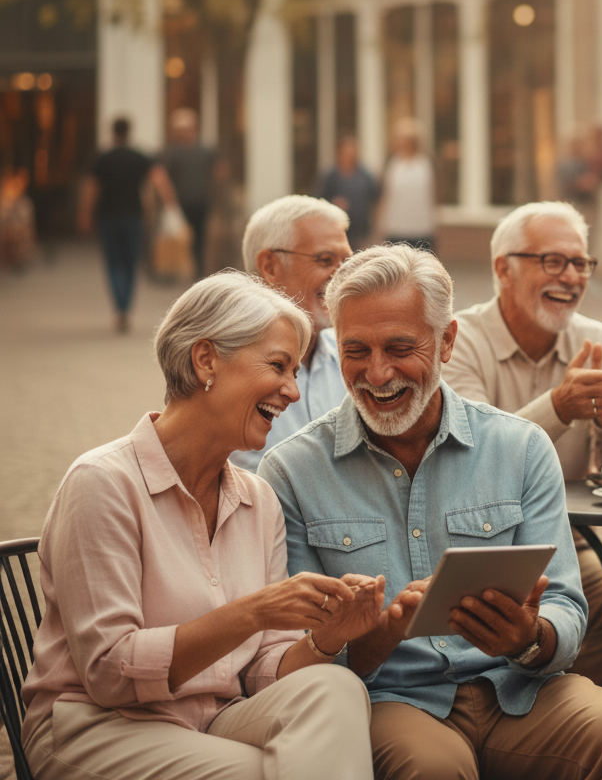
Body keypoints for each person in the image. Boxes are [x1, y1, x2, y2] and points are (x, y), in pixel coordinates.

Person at [257, 245, 602, 780]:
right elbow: (298, 659)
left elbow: (566, 606)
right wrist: (381, 633)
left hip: (520, 690)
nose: (377, 373)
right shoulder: (291, 471)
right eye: (356, 350)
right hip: (388, 698)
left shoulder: (521, 447)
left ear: (447, 342)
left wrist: (529, 638)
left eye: (400, 348)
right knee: (434, 767)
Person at [20, 271, 385, 780]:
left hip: (215, 719)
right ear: (206, 359)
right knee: (265, 772)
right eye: (278, 366)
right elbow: (108, 674)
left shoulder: (259, 500)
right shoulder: (102, 483)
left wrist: (326, 639)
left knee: (338, 687)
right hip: (100, 725)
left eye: (296, 371)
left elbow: (262, 672)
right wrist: (254, 612)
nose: (293, 392)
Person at [443, 201, 602, 688]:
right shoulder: (458, 340)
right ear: (503, 269)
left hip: (566, 545)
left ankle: (582, 712)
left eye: (580, 263)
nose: (571, 277)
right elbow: (473, 457)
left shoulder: (596, 339)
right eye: (553, 261)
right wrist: (559, 406)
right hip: (476, 546)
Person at [230, 194, 352, 472]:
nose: (342, 277)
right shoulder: (229, 366)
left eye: (347, 263)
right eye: (325, 260)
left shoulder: (354, 357)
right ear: (270, 266)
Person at [77, 116, 179, 332]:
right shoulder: (139, 156)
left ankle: (120, 308)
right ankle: (126, 307)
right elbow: (159, 179)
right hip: (134, 217)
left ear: (113, 133)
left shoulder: (102, 158)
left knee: (113, 262)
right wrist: (171, 205)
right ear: (129, 132)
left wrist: (85, 214)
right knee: (131, 263)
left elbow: (91, 188)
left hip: (108, 217)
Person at [159, 107, 225, 275]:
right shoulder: (170, 152)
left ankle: (198, 269)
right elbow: (161, 177)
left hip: (201, 202)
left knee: (200, 238)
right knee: (180, 238)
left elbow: (219, 171)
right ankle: (181, 268)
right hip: (179, 203)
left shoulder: (206, 150)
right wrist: (168, 200)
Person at [378, 118, 436, 251]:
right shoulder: (392, 165)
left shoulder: (426, 164)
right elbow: (385, 195)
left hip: (422, 229)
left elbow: (434, 195)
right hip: (396, 229)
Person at [318, 134, 380, 251]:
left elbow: (376, 201)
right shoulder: (330, 176)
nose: (351, 154)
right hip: (338, 232)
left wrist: (376, 230)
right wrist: (332, 203)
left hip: (361, 234)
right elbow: (319, 200)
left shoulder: (365, 175)